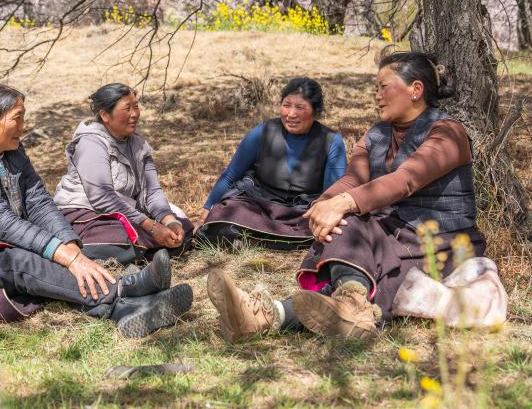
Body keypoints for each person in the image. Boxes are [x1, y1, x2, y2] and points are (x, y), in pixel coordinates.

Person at [207, 52, 487, 341]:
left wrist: (343, 203)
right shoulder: (376, 134)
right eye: (375, 88)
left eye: (383, 87)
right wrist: (324, 204)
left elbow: (406, 179)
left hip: (440, 240)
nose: (377, 95)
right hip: (393, 236)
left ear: (415, 90)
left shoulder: (447, 131)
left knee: (351, 226)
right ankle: (287, 313)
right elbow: (353, 179)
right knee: (352, 251)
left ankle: (331, 306)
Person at [0, 82, 193, 338]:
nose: (24, 126)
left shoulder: (13, 151)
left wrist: (70, 247)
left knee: (52, 252)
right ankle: (123, 290)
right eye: (17, 118)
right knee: (18, 260)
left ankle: (123, 310)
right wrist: (65, 255)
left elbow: (39, 201)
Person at [196, 78, 347, 250]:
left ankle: (252, 239)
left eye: (300, 107)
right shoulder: (263, 131)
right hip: (258, 205)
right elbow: (232, 174)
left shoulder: (331, 141)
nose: (291, 114)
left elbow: (332, 195)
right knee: (226, 212)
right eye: (286, 105)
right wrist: (206, 212)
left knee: (334, 229)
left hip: (301, 213)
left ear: (315, 111)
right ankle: (268, 239)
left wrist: (324, 216)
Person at [54, 83, 193, 264]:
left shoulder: (138, 144)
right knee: (119, 238)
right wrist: (151, 227)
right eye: (127, 108)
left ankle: (144, 255)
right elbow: (101, 197)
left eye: (136, 106)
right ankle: (145, 255)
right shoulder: (91, 143)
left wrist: (169, 221)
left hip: (123, 213)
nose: (134, 114)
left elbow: (152, 192)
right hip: (86, 213)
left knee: (183, 227)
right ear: (105, 115)